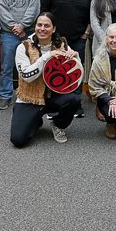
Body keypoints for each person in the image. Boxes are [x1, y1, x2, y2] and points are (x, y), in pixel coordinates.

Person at [10, 13, 81, 148]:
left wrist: (76, 57)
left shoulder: (61, 44)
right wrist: (47, 56)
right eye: (39, 25)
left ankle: (58, 124)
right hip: (30, 98)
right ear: (35, 26)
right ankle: (34, 120)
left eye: (46, 25)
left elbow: (74, 71)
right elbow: (26, 76)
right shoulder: (23, 47)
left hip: (52, 97)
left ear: (53, 29)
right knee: (18, 140)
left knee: (74, 100)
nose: (42, 29)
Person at [42, 0, 94, 116]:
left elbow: (92, 16)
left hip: (79, 37)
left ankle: (75, 104)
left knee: (75, 70)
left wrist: (86, 33)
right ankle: (54, 105)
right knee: (54, 70)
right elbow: (44, 10)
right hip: (56, 37)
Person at [0, 0, 40, 110]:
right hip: (8, 34)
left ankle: (28, 95)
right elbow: (2, 10)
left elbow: (34, 9)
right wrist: (14, 27)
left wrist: (22, 26)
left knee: (30, 65)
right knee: (6, 66)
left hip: (28, 32)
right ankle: (5, 96)